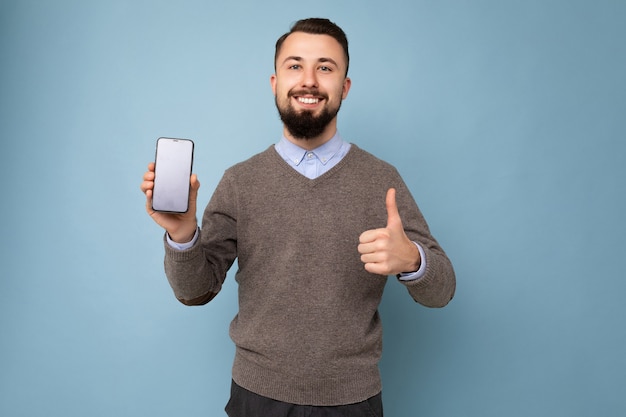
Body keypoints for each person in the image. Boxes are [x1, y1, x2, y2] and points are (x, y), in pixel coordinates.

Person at [141, 17, 455, 417]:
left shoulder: (382, 180)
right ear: (275, 83)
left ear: (344, 87)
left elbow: (442, 290)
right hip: (256, 397)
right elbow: (195, 291)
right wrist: (183, 234)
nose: (309, 80)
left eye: (325, 67)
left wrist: (413, 260)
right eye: (295, 66)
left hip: (352, 401)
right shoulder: (240, 181)